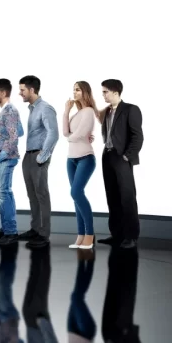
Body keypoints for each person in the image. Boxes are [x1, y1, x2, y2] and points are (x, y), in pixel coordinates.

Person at [98, 79, 144, 249]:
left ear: (116, 92)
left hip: (121, 158)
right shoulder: (107, 111)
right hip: (107, 156)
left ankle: (131, 236)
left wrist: (127, 156)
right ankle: (117, 234)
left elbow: (137, 136)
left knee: (127, 197)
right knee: (112, 197)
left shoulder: (130, 109)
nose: (103, 95)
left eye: (105, 92)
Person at [19, 75, 59, 249]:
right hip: (28, 155)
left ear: (32, 90)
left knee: (41, 194)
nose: (20, 93)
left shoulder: (45, 108)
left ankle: (44, 234)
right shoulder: (32, 109)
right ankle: (35, 229)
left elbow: (53, 133)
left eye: (22, 90)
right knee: (32, 195)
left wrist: (43, 156)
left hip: (38, 156)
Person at [19, 246, 58, 343]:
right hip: (38, 319)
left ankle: (36, 251)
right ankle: (44, 249)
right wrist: (42, 322)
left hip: (30, 320)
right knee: (41, 282)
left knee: (33, 279)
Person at [64, 81, 99, 250]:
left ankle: (90, 235)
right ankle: (80, 234)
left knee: (76, 192)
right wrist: (66, 111)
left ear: (85, 92)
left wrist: (70, 136)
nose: (74, 92)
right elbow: (65, 132)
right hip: (71, 159)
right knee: (75, 197)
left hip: (86, 158)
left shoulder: (89, 111)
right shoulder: (75, 114)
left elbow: (77, 135)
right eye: (73, 89)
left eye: (77, 89)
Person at [0, 79, 23, 246]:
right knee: (4, 192)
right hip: (4, 156)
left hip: (6, 157)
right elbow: (20, 131)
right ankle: (7, 229)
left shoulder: (9, 111)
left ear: (3, 93)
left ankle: (10, 232)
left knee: (2, 192)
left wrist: (1, 154)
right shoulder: (7, 111)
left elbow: (14, 138)